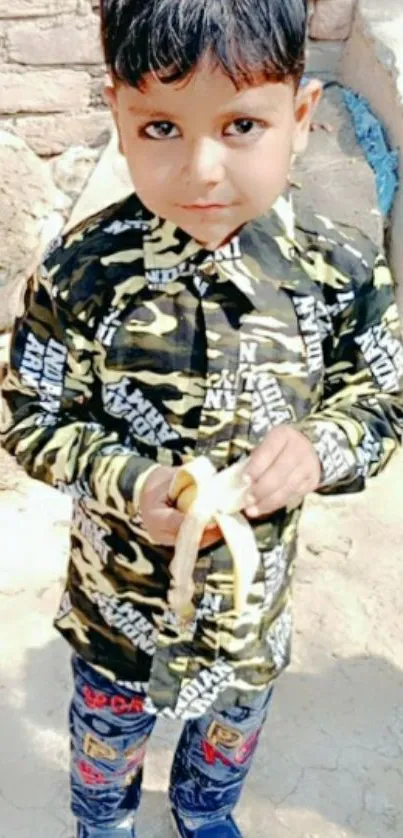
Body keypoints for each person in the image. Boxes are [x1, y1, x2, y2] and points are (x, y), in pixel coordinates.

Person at [2, 1, 403, 836]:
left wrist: (321, 447)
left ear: (298, 118)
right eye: (160, 129)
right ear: (116, 113)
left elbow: (378, 400)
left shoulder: (337, 273)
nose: (202, 170)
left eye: (241, 124)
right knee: (106, 740)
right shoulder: (81, 276)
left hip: (249, 610)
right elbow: (31, 416)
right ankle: (104, 820)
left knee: (229, 733)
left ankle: (202, 810)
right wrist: (127, 479)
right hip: (118, 606)